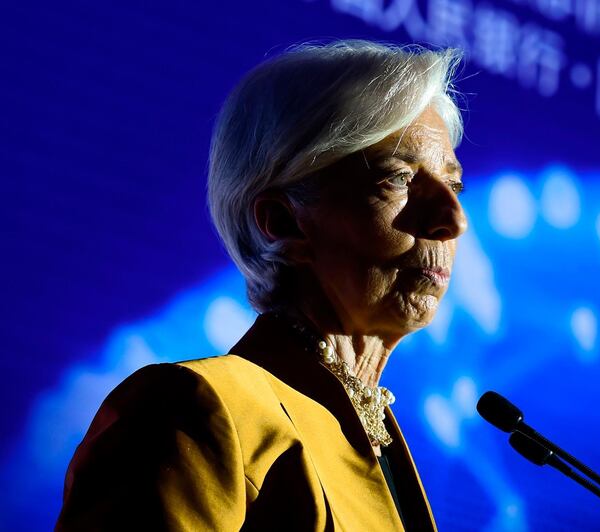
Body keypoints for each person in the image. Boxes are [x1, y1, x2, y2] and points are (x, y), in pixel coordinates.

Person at [56, 40, 467, 531]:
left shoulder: (386, 451)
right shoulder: (194, 410)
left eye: (454, 185)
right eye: (399, 179)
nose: (453, 219)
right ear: (282, 222)